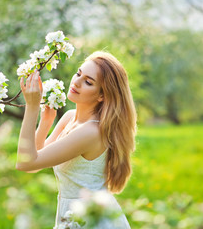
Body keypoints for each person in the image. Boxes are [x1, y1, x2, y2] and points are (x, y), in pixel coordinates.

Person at [16, 51, 137, 228]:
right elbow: (34, 166)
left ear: (102, 95)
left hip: (91, 220)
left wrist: (32, 106)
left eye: (88, 82)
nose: (77, 82)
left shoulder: (91, 132)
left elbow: (24, 163)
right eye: (78, 74)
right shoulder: (70, 118)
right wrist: (45, 123)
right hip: (73, 215)